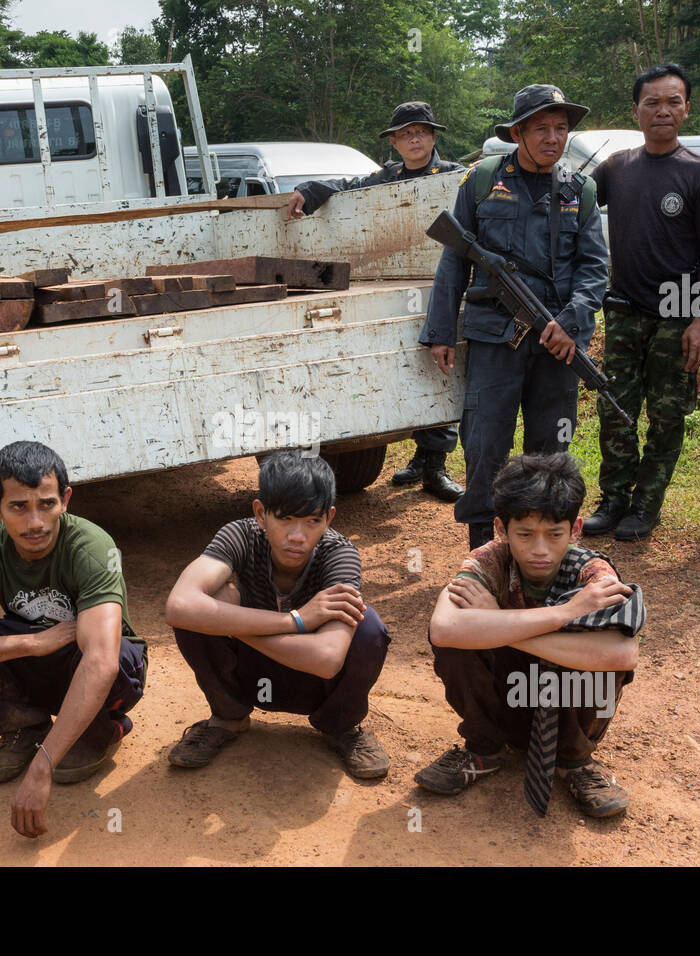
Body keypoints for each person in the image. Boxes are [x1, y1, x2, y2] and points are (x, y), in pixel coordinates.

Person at [0, 441, 146, 839]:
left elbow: (102, 662)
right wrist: (28, 644)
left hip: (93, 671)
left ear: (65, 500)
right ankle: (24, 727)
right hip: (38, 656)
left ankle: (98, 732)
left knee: (115, 654)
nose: (35, 522)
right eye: (19, 506)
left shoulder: (92, 546)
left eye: (47, 504)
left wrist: (43, 768)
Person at [420, 85, 609, 549]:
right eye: (542, 127)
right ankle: (484, 545)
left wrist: (573, 322)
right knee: (484, 442)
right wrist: (442, 331)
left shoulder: (579, 189)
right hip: (493, 338)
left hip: (557, 341)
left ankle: (539, 541)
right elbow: (455, 259)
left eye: (561, 128)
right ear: (518, 132)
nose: (553, 137)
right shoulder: (482, 180)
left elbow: (594, 268)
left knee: (550, 448)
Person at [414, 452, 645, 818]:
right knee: (456, 644)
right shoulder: (490, 560)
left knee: (599, 657)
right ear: (502, 530)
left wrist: (500, 623)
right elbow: (443, 628)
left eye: (554, 534)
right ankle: (484, 748)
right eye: (524, 534)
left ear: (576, 529)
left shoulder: (594, 574)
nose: (539, 549)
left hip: (570, 705)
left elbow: (622, 655)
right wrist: (567, 614)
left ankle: (575, 761)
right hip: (504, 701)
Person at [165, 451, 391, 779]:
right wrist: (296, 620)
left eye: (312, 521)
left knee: (367, 626)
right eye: (285, 519)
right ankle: (228, 716)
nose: (297, 536)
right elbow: (179, 606)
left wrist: (232, 624)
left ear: (329, 518)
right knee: (203, 607)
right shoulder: (240, 535)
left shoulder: (340, 554)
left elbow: (327, 659)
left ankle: (340, 726)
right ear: (260, 513)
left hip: (313, 679)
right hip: (254, 672)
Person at [287, 101, 465, 502]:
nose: (414, 139)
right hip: (397, 290)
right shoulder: (387, 178)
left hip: (444, 287)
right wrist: (308, 191)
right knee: (411, 370)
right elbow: (347, 190)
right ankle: (421, 459)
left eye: (421, 131)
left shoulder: (456, 177)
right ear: (396, 142)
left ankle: (435, 464)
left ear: (434, 136)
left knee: (441, 371)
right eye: (405, 134)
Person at [583, 63, 700, 542]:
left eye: (673, 101)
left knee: (666, 417)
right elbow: (572, 211)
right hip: (622, 312)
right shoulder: (616, 167)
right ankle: (614, 500)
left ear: (687, 108)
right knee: (614, 412)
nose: (662, 111)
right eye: (652, 102)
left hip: (678, 314)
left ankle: (646, 506)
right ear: (636, 110)